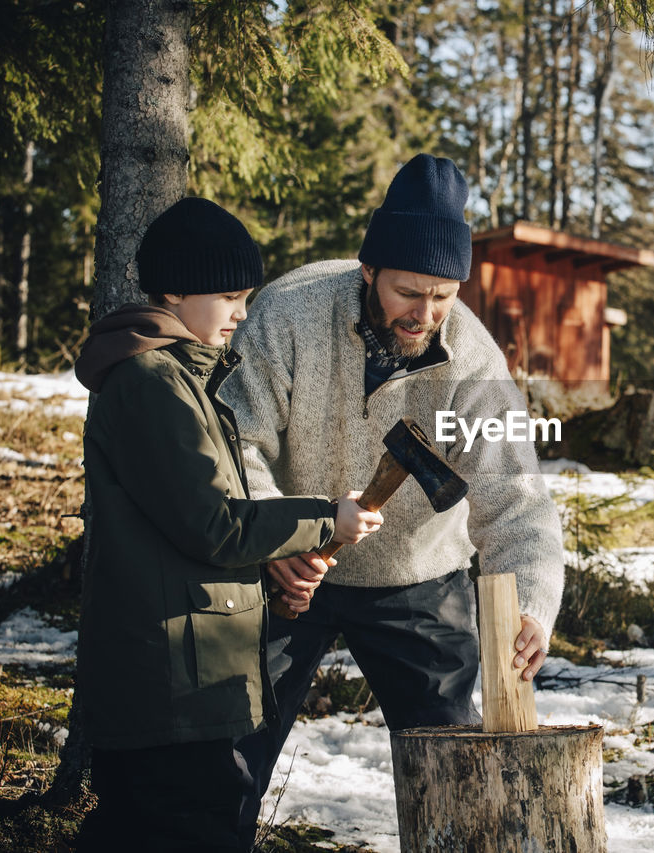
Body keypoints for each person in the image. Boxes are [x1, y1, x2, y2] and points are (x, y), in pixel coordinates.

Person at [220, 154, 565, 840]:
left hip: (417, 576)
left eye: (443, 295)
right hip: (294, 565)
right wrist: (273, 536)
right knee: (229, 747)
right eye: (410, 291)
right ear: (368, 268)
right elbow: (237, 442)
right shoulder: (290, 313)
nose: (427, 313)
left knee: (451, 760)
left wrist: (529, 600)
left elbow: (515, 498)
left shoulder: (472, 360)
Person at [73, 197, 383, 852]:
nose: (243, 313)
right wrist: (326, 520)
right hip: (168, 696)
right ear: (177, 288)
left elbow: (183, 536)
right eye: (231, 295)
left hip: (183, 684)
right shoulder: (153, 383)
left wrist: (272, 581)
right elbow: (212, 523)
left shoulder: (181, 380)